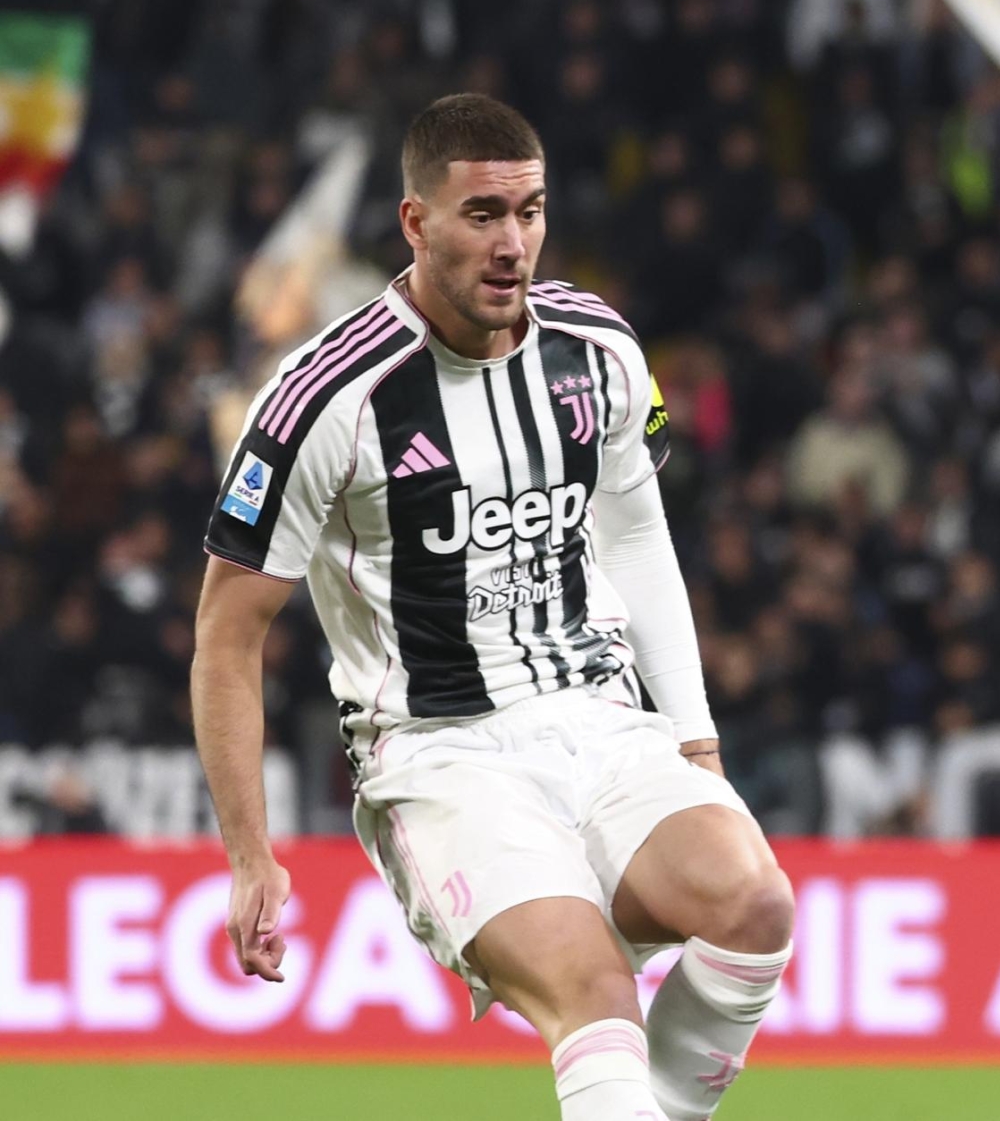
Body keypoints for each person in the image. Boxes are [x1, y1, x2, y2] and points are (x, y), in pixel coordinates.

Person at [191, 94, 793, 1121]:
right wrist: (250, 856)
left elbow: (637, 533)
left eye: (530, 210)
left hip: (599, 720)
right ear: (417, 222)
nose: (513, 242)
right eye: (483, 215)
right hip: (440, 751)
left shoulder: (599, 346)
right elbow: (226, 636)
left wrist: (692, 736)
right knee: (597, 993)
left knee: (755, 906)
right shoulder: (322, 398)